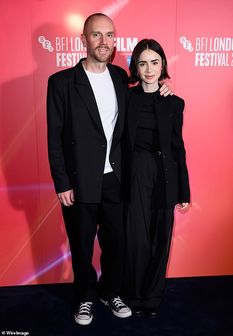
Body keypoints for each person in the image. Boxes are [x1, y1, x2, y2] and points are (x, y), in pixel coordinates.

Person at [47, 13, 172, 326]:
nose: (104, 42)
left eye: (109, 35)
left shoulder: (119, 76)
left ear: (115, 40)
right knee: (82, 244)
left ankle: (109, 291)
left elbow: (146, 93)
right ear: (84, 40)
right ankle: (85, 297)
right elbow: (54, 137)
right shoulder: (61, 83)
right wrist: (62, 182)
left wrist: (164, 93)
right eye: (97, 35)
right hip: (79, 182)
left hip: (116, 180)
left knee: (117, 242)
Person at [122, 39, 190, 318]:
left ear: (163, 64)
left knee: (161, 238)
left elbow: (178, 147)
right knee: (137, 238)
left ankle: (152, 296)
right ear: (135, 68)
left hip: (166, 175)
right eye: (142, 63)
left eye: (154, 62)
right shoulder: (125, 97)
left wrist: (184, 191)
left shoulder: (175, 103)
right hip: (135, 172)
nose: (149, 69)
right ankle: (134, 295)